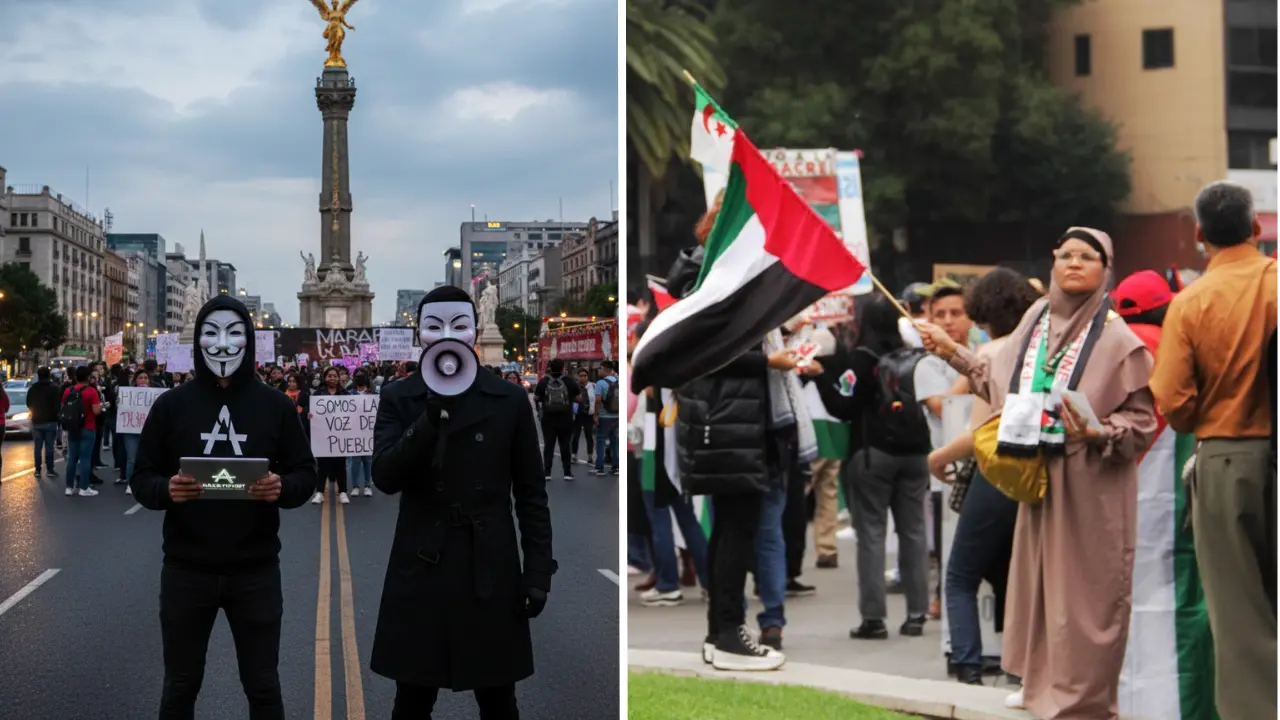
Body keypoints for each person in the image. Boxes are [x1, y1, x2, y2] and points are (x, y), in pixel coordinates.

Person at [919, 227, 1158, 719]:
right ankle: (1039, 683)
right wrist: (951, 351)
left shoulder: (1117, 338)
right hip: (1037, 476)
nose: (1074, 264)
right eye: (1065, 255)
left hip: (1091, 483)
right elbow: (997, 383)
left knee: (1088, 592)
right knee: (1039, 583)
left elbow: (1141, 421)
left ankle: (1083, 698)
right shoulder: (1035, 322)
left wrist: (1099, 432)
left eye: (1086, 257)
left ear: (1105, 269)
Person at [370, 285, 555, 719]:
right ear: (419, 336)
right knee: (413, 698)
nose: (448, 335)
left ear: (475, 331)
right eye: (434, 327)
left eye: (459, 324)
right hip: (422, 561)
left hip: (487, 562)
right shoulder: (400, 398)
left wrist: (538, 570)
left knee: (497, 697)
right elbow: (385, 476)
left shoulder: (508, 399)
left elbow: (531, 493)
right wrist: (428, 420)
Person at [129, 296, 317, 719]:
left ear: (248, 341)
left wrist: (282, 487)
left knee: (264, 687)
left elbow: (307, 475)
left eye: (234, 333)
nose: (223, 344)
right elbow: (141, 479)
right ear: (197, 340)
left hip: (255, 572)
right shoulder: (170, 405)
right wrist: (166, 490)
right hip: (185, 571)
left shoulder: (277, 406)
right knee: (179, 687)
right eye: (211, 333)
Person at [1148, 181, 1277, 720]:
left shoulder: (1192, 302)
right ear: (1255, 229)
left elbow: (1173, 400)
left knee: (1239, 614)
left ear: (1199, 235)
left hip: (1227, 456)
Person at [925, 268, 1040, 685]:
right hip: (1035, 472)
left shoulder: (990, 355)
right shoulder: (1038, 349)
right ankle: (1020, 664)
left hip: (996, 472)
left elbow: (979, 433)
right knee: (1010, 569)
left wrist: (938, 456)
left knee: (959, 576)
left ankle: (969, 666)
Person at [310, 366, 352, 505]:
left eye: (335, 376)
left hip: (340, 435)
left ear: (339, 378)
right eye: (330, 376)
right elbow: (311, 411)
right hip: (323, 435)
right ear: (325, 377)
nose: (332, 378)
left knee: (340, 464)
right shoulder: (317, 394)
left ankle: (343, 492)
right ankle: (319, 492)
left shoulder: (345, 394)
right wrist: (310, 415)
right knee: (322, 465)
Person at [534, 358, 581, 481]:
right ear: (563, 367)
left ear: (550, 368)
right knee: (565, 446)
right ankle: (567, 473)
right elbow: (579, 398)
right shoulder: (569, 380)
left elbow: (536, 397)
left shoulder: (544, 381)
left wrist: (541, 409)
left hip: (548, 419)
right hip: (566, 418)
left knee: (549, 446)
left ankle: (547, 473)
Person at [61, 365, 102, 497]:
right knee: (85, 458)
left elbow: (64, 408)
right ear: (89, 377)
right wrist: (101, 407)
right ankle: (84, 487)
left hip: (73, 427)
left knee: (72, 457)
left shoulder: (68, 390)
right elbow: (96, 411)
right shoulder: (91, 391)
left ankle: (69, 487)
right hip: (88, 427)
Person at [120, 368, 155, 497]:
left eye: (146, 378)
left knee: (148, 459)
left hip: (149, 431)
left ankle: (148, 482)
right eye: (141, 378)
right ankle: (130, 483)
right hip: (131, 432)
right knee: (131, 459)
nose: (143, 380)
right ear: (135, 381)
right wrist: (120, 403)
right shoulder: (128, 394)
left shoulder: (155, 394)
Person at [27, 367, 60, 480]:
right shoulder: (54, 388)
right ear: (49, 375)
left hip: (37, 421)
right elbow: (58, 405)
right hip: (51, 421)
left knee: (37, 447)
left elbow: (28, 403)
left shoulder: (33, 388)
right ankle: (50, 469)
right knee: (50, 447)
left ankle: (37, 469)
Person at [347, 372, 375, 498]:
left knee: (368, 460)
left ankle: (368, 485)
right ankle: (355, 486)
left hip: (368, 431)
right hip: (354, 430)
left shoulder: (373, 394)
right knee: (355, 460)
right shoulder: (349, 394)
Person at [593, 360, 620, 476]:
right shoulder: (618, 381)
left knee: (600, 441)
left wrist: (596, 414)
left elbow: (598, 401)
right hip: (617, 416)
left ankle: (599, 468)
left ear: (605, 370)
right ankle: (616, 468)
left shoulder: (600, 383)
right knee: (615, 442)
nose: (599, 371)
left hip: (604, 417)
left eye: (600, 368)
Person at [572, 367, 596, 465]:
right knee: (575, 436)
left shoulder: (593, 386)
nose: (583, 378)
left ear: (588, 376)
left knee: (589, 436)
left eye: (585, 376)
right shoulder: (574, 387)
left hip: (589, 415)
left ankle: (590, 456)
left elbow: (598, 400)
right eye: (581, 376)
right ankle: (574, 455)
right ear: (578, 376)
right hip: (577, 415)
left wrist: (596, 414)